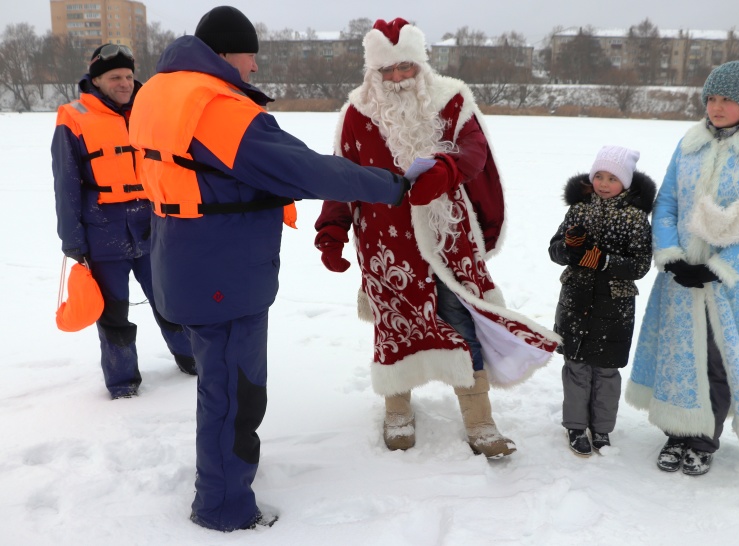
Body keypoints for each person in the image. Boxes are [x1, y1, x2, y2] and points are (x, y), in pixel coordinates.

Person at [128, 6, 413, 533]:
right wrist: (393, 185)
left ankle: (226, 469)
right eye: (249, 56)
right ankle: (224, 506)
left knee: (220, 387)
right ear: (223, 54)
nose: (254, 69)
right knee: (234, 395)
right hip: (224, 278)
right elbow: (302, 168)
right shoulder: (215, 108)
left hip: (182, 260)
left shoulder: (157, 93)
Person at [314, 18, 559, 460]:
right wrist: (331, 230)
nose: (397, 80)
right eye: (387, 72)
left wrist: (445, 171)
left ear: (420, 65)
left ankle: (480, 420)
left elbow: (473, 151)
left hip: (447, 237)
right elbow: (342, 175)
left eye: (405, 69)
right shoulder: (357, 113)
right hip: (384, 242)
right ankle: (397, 409)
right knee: (395, 323)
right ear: (373, 73)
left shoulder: (452, 98)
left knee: (460, 321)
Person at [626, 60, 739, 475]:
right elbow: (666, 204)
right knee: (680, 353)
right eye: (710, 98)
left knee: (717, 360)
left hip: (733, 281)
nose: (715, 107)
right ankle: (676, 432)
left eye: (726, 99)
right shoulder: (690, 142)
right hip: (681, 276)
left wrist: (720, 267)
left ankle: (702, 439)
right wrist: (671, 254)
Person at [52, 43, 196, 400]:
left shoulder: (151, 108)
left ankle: (193, 359)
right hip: (102, 230)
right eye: (115, 77)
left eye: (129, 76)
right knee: (114, 313)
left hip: (152, 224)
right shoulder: (73, 115)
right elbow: (65, 181)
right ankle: (122, 382)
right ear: (96, 80)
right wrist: (72, 238)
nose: (125, 83)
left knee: (171, 300)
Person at [548, 146, 656, 456]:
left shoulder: (636, 218)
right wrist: (569, 246)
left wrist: (605, 261)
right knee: (576, 365)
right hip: (575, 300)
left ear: (625, 182)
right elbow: (554, 250)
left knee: (606, 371)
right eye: (599, 176)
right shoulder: (579, 209)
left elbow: (639, 265)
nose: (604, 184)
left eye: (612, 178)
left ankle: (603, 429)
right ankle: (576, 426)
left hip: (614, 307)